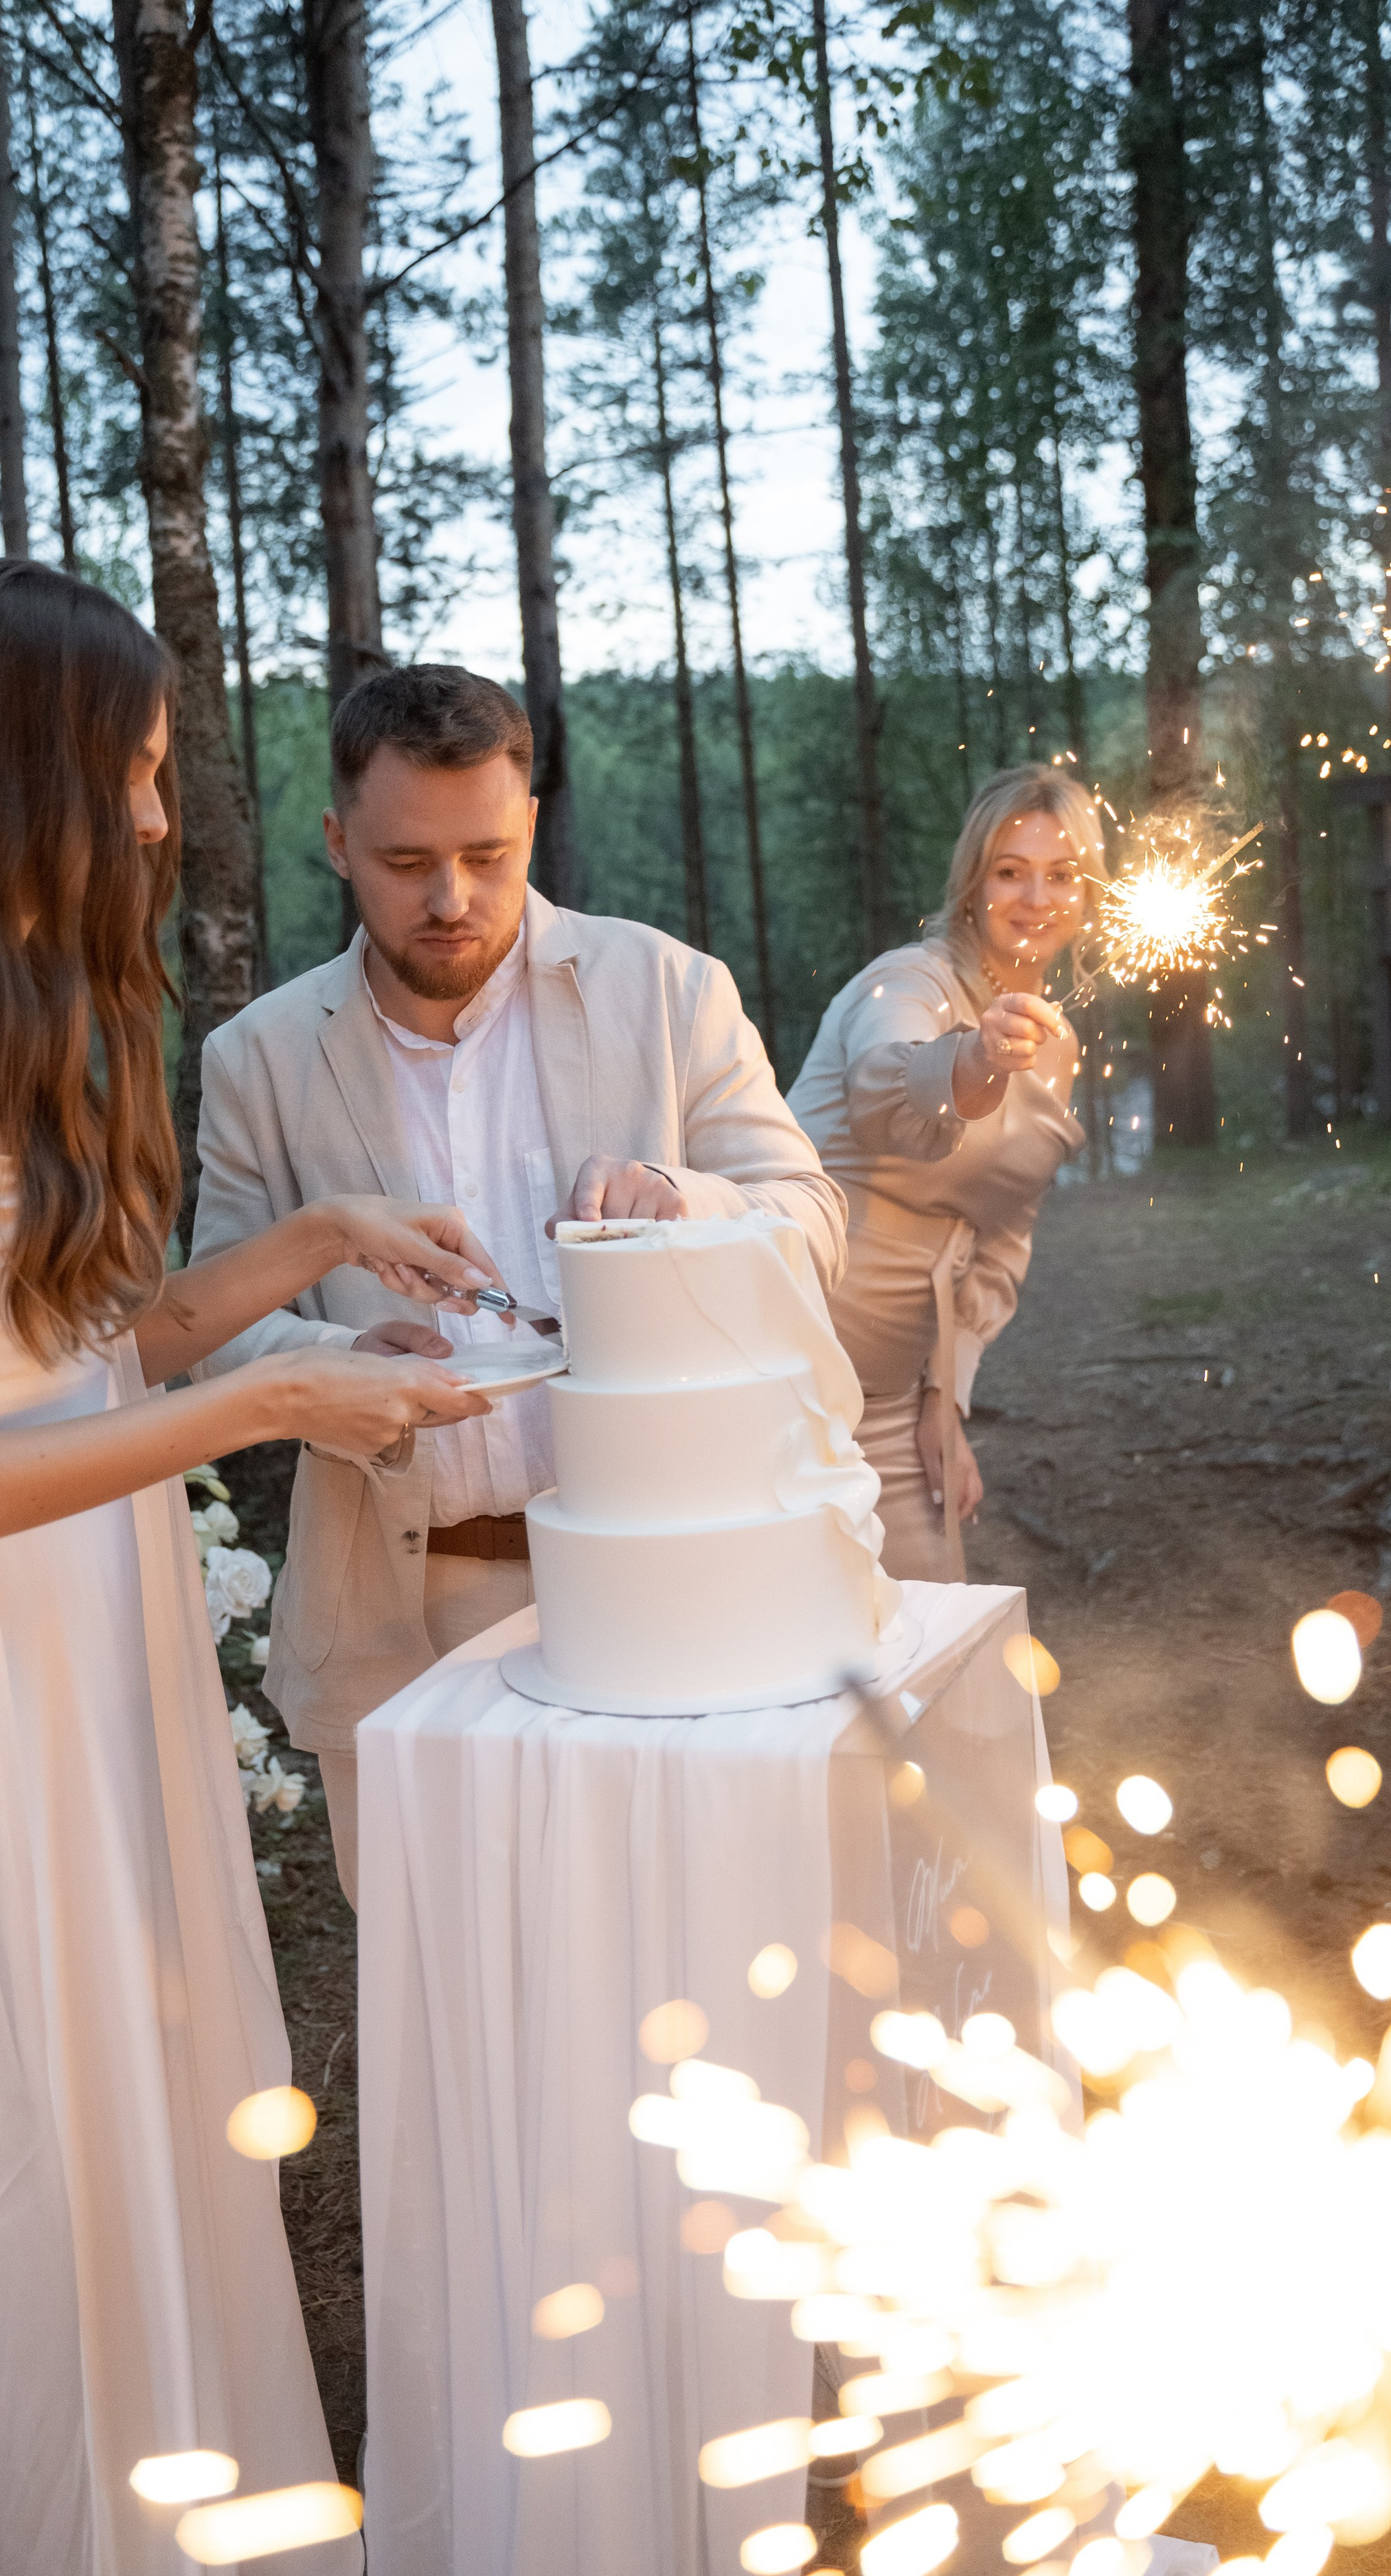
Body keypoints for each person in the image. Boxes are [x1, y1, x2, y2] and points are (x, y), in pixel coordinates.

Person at [0, 563, 504, 2576]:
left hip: (77, 1665)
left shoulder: (3, 1013)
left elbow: (91, 1347)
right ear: (32, 774)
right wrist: (267, 1398)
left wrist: (314, 1243)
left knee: (126, 2145)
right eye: (139, 773)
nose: (161, 820)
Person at [190, 664, 847, 1904]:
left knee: (673, 1942)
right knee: (441, 1993)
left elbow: (813, 1224)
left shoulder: (669, 990)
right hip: (393, 1600)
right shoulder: (260, 1058)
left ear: (532, 820)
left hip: (661, 1576)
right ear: (336, 842)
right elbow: (212, 1315)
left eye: (487, 854)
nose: (451, 898)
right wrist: (324, 1367)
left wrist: (686, 1197)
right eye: (405, 862)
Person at [788, 763, 1098, 1582]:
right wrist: (975, 1058)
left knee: (933, 1652)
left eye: (1060, 874)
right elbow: (883, 1088)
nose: (1036, 897)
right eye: (1010, 871)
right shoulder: (906, 981)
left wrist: (945, 1401)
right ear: (971, 882)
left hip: (895, 1406)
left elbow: (999, 1237)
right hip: (775, 1385)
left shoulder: (1058, 1046)